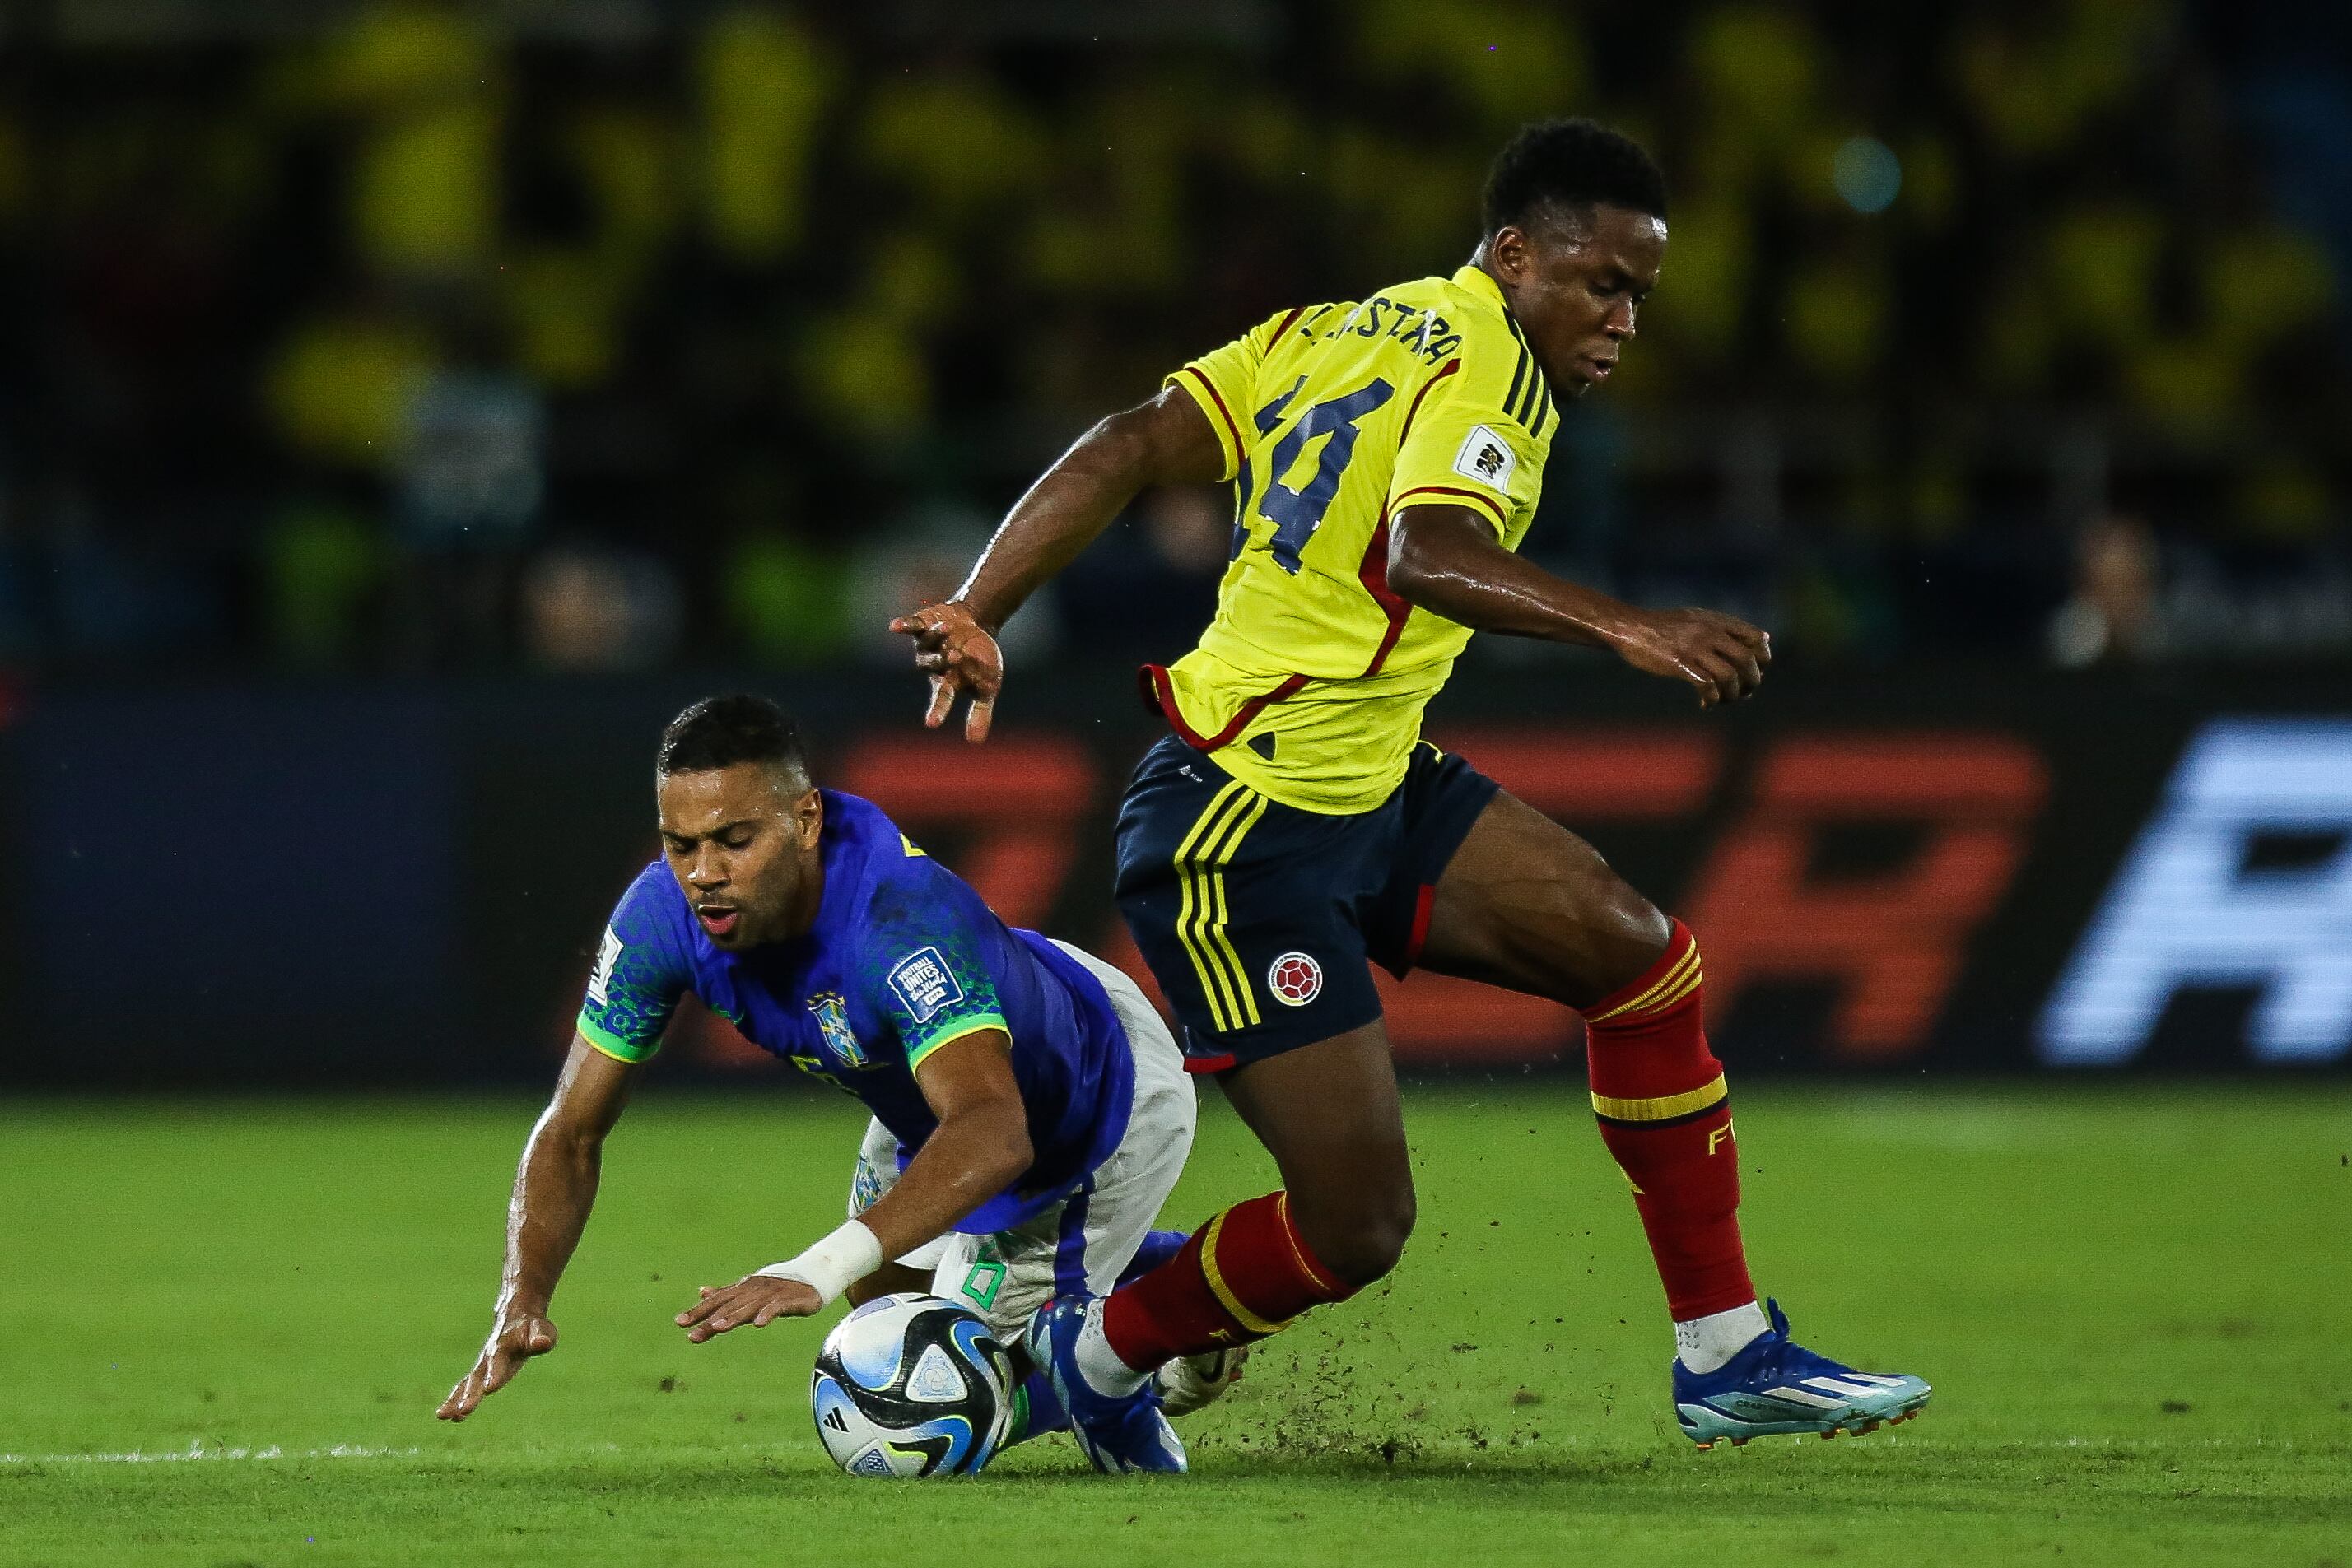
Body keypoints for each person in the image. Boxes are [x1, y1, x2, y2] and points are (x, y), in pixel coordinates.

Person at [893, 119, 1931, 1470]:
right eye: (1601, 282)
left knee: (1643, 965)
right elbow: (1428, 550)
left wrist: (984, 603)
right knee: (1356, 1227)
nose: (1623, 320)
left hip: (1369, 778)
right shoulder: (1491, 365)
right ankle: (1086, 1362)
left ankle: (1726, 1354)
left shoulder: (1324, 331)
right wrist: (1627, 625)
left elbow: (1130, 441)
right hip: (1240, 825)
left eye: (1640, 294)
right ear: (1513, 253)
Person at [435, 694, 1237, 1471]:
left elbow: (996, 1130)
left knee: (942, 1393)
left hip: (1093, 1094)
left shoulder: (896, 917)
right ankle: (1139, 1281)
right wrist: (522, 1298)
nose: (703, 873)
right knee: (884, 1297)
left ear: (806, 819)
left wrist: (815, 1267)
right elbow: (571, 1128)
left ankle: (1149, 1348)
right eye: (681, 845)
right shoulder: (661, 916)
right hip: (933, 1088)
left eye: (734, 840)